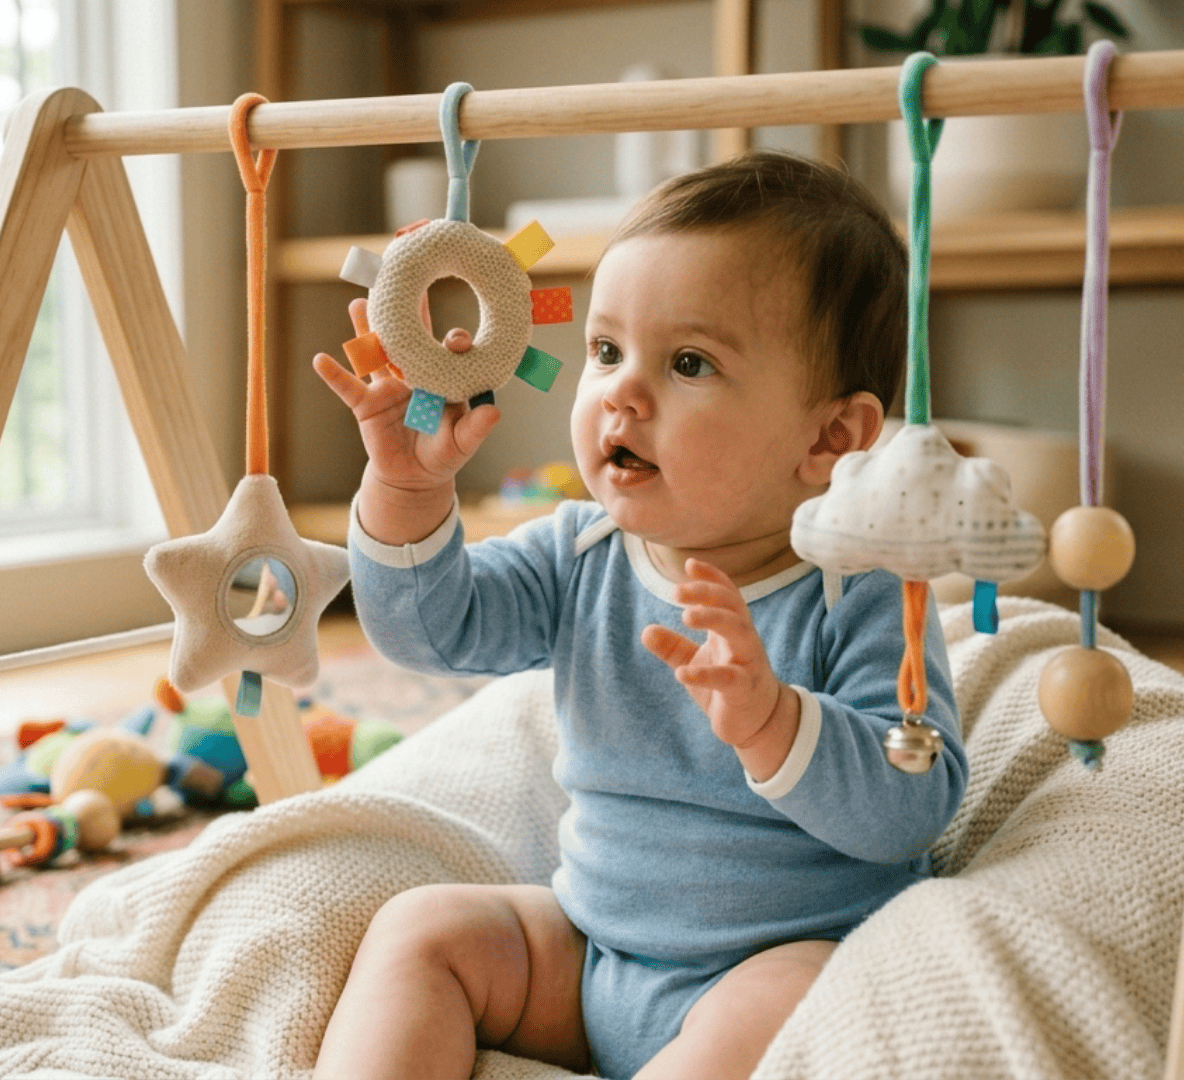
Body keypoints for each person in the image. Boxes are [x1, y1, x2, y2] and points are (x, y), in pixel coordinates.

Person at [308, 150, 966, 1080]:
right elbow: (430, 631)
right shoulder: (579, 554)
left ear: (830, 439)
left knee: (796, 1002)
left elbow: (914, 807)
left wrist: (778, 722)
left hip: (771, 963)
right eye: (608, 352)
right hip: (591, 952)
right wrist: (406, 490)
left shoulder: (859, 589)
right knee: (423, 931)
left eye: (689, 363)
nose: (622, 390)